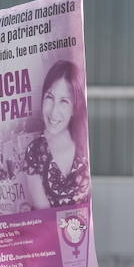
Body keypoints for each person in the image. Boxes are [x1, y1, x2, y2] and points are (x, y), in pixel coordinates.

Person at [22, 60, 91, 210]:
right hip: (50, 232)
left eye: (64, 101)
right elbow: (45, 216)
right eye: (49, 97)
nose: (53, 111)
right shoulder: (34, 152)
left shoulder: (86, 145)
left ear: (75, 108)